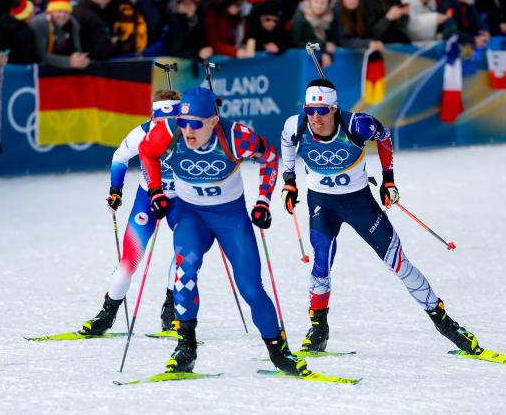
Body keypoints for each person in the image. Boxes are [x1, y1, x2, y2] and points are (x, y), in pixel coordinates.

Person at [280, 79, 483, 356]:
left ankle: (445, 322)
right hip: (322, 203)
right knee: (321, 262)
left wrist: (389, 180)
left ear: (334, 109)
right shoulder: (296, 125)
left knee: (398, 262)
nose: (315, 117)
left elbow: (384, 136)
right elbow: (287, 143)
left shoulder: (357, 125)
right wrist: (289, 181)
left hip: (358, 202)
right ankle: (318, 328)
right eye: (310, 110)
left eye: (322, 110)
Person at [138, 87, 309, 376]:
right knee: (184, 270)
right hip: (191, 215)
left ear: (213, 122)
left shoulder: (235, 136)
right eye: (183, 122)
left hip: (231, 218)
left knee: (251, 287)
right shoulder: (168, 130)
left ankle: (279, 353)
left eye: (195, 124)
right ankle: (185, 347)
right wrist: (155, 191)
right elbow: (146, 152)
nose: (188, 131)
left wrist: (263, 202)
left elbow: (268, 158)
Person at [81, 90, 183, 336]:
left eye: (171, 121)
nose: (164, 127)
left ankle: (171, 312)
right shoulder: (141, 134)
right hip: (147, 201)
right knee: (128, 263)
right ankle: (106, 315)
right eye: (159, 121)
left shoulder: (190, 134)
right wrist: (116, 191)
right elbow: (119, 158)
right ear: (152, 116)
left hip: (182, 201)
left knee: (185, 254)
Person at [30, 0, 90, 69]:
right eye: (59, 11)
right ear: (51, 12)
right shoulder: (40, 23)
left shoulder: (73, 23)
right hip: (38, 65)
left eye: (66, 12)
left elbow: (77, 47)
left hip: (61, 60)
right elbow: (41, 54)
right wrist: (69, 61)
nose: (62, 15)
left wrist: (80, 59)